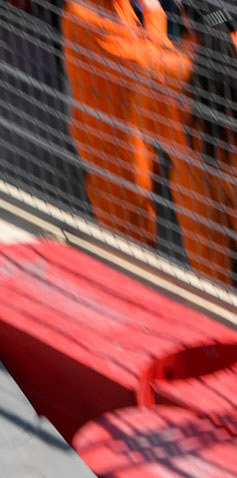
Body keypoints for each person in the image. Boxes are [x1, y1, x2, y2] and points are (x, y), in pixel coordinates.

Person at [61, 0, 191, 245]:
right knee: (130, 241)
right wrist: (154, 14)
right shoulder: (89, 14)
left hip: (129, 133)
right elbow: (148, 65)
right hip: (115, 150)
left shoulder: (112, 6)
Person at [170, 2, 237, 282]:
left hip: (199, 198)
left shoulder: (170, 66)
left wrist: (153, 24)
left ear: (184, 11)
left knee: (216, 294)